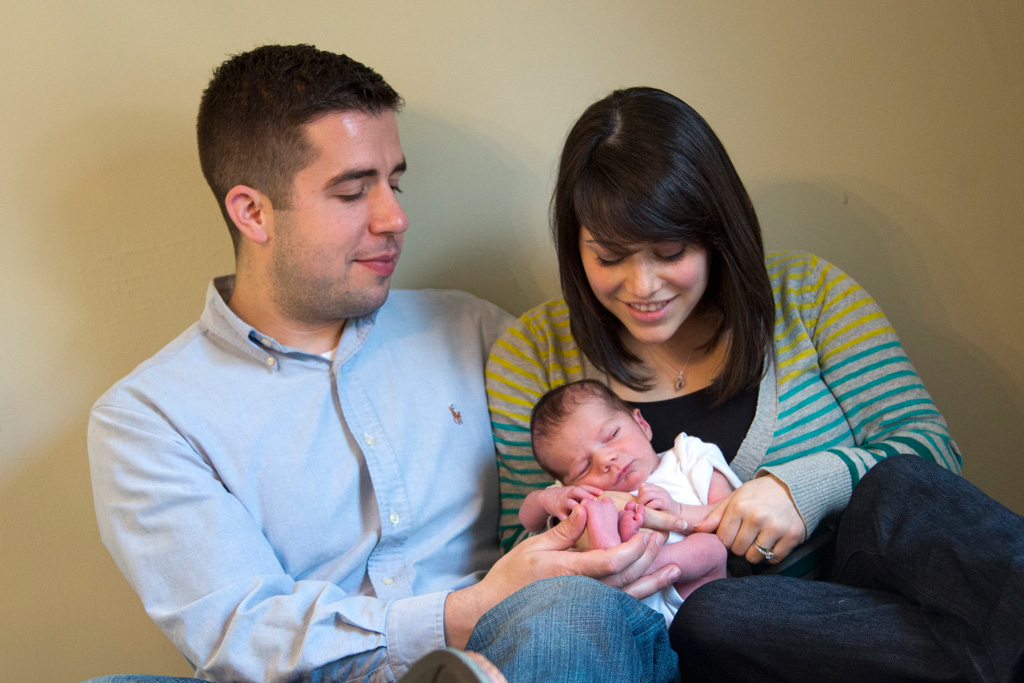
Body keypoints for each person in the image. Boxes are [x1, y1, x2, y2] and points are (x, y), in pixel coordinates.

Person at [86, 47, 683, 683]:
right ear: (252, 212)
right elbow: (242, 633)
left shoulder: (478, 333)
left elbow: (625, 453)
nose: (395, 218)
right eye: (352, 191)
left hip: (518, 652)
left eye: (393, 183)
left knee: (568, 616)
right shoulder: (149, 419)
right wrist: (466, 609)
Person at [485, 86, 1024, 682]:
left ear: (714, 230)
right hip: (707, 642)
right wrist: (595, 536)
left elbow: (933, 454)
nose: (643, 286)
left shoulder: (809, 293)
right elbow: (517, 557)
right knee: (715, 614)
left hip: (866, 609)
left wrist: (804, 488)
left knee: (897, 485)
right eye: (610, 257)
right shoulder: (534, 353)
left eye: (670, 251)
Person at [522, 379, 742, 622]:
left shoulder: (688, 456)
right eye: (584, 467)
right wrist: (545, 499)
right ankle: (616, 549)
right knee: (591, 517)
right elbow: (528, 520)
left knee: (711, 548)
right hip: (627, 612)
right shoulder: (579, 495)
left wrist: (678, 510)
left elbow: (729, 514)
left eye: (612, 435)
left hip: (694, 597)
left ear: (642, 424)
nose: (605, 459)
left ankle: (636, 562)